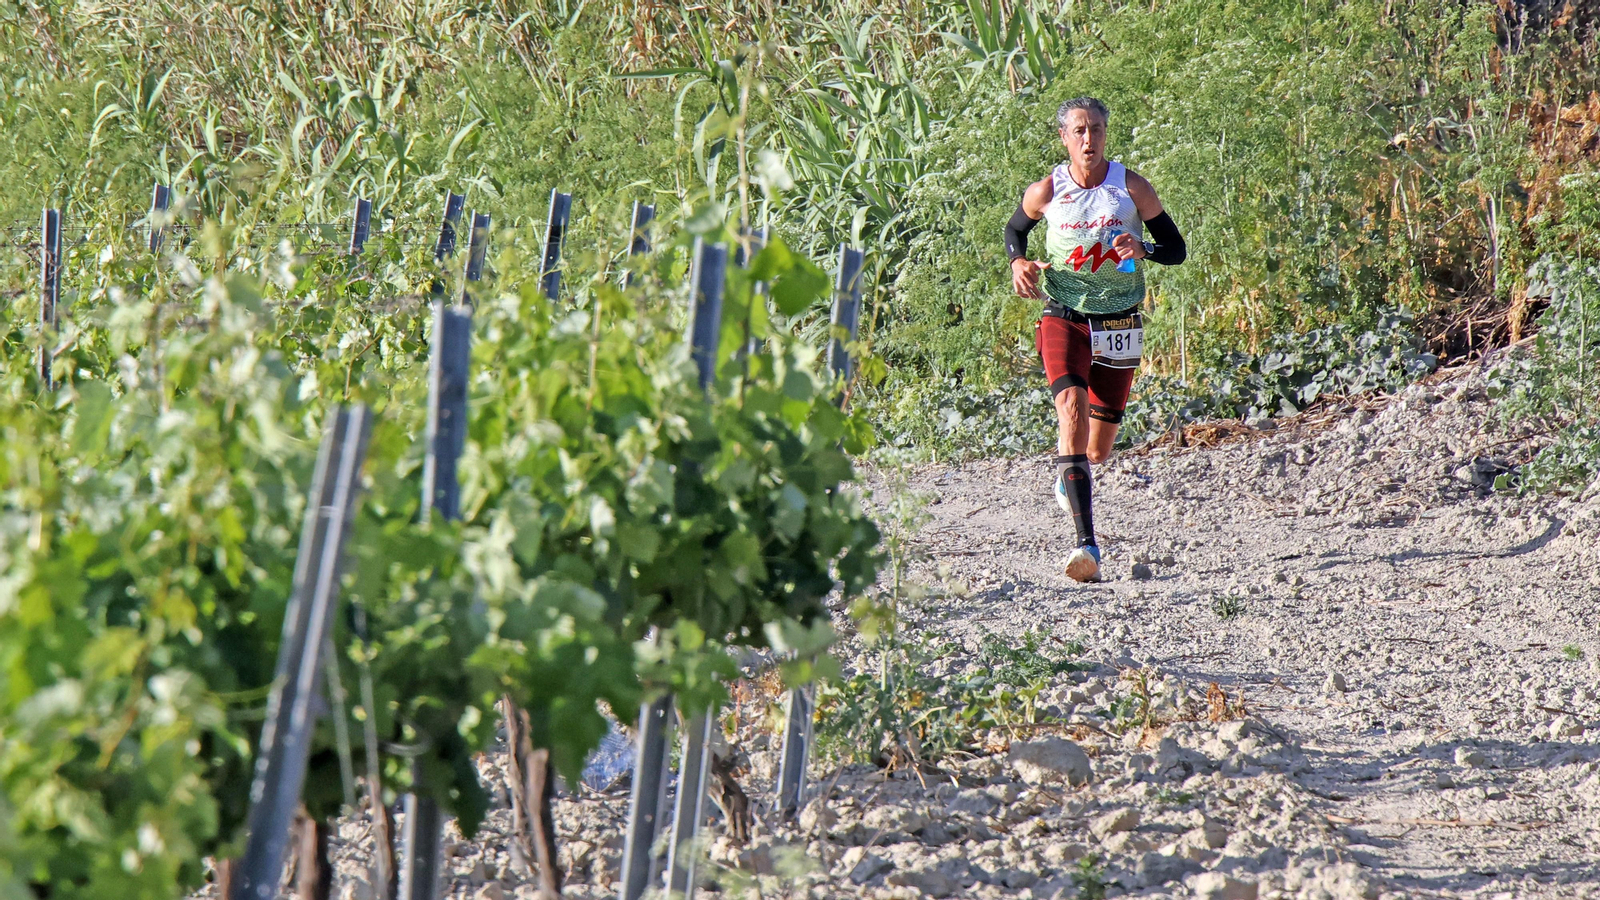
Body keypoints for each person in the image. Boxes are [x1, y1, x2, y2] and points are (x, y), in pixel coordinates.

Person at [1003, 97, 1187, 582]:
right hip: (1064, 317)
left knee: (1097, 449)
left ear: (1106, 134)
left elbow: (1176, 250)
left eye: (1098, 130)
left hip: (1120, 322)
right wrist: (1017, 262)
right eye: (1080, 131)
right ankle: (1087, 547)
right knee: (1071, 409)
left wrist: (1142, 248)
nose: (1090, 140)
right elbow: (1014, 230)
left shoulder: (1131, 187)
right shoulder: (1048, 189)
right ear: (1064, 137)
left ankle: (1072, 473)